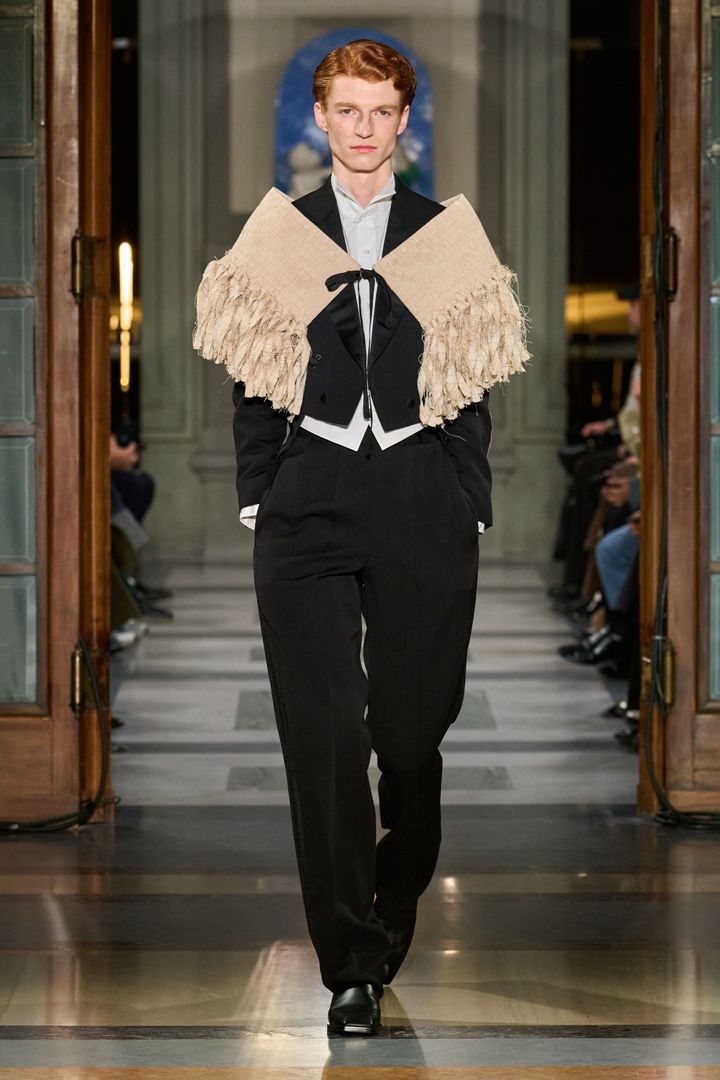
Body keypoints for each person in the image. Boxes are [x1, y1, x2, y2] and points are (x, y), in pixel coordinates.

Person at [194, 39, 528, 1036]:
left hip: (422, 491)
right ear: (322, 116)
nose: (365, 127)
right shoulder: (282, 234)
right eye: (348, 109)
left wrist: (467, 492)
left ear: (404, 121)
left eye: (382, 111)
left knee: (412, 736)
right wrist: (262, 493)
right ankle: (350, 964)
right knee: (325, 735)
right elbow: (253, 370)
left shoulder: (444, 235)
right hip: (309, 493)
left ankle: (394, 899)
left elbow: (472, 375)